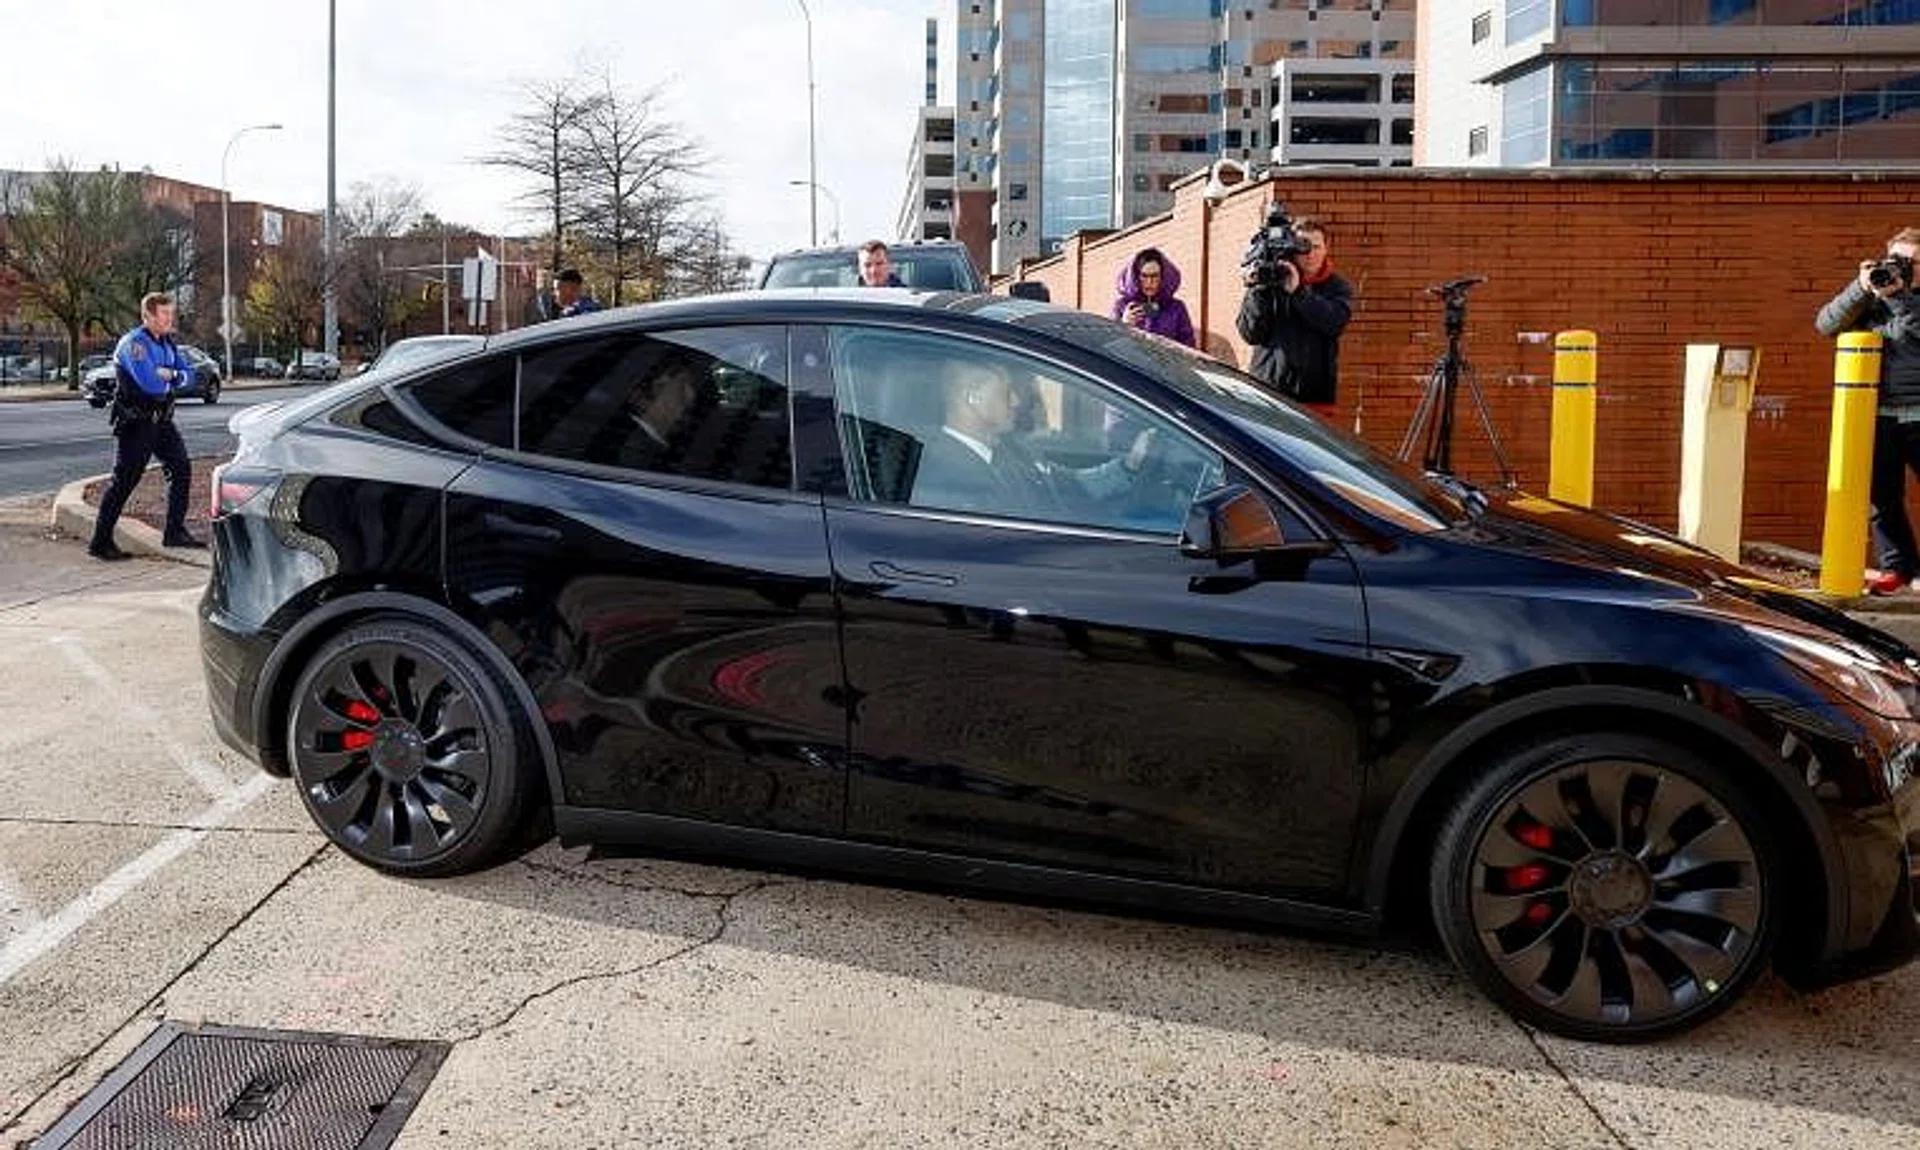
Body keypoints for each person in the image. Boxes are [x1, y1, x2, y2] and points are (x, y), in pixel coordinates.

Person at [1816, 226, 1920, 595]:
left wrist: (1899, 297)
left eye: (1911, 262)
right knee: (1883, 496)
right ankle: (1899, 569)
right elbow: (1826, 324)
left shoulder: (1901, 299)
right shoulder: (1871, 299)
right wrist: (1860, 288)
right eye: (1898, 260)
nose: (1902, 267)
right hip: (1879, 414)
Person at [911, 359, 1150, 517]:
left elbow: (1070, 484)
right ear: (973, 399)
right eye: (1006, 393)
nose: (1016, 401)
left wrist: (1129, 466)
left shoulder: (1007, 450)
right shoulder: (940, 476)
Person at [88, 293, 199, 559]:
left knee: (181, 467)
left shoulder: (168, 344)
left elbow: (190, 377)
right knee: (124, 481)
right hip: (136, 423)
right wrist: (172, 376)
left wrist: (170, 374)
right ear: (147, 316)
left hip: (162, 421)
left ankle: (174, 532)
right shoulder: (134, 343)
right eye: (163, 314)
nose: (169, 318)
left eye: (171, 313)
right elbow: (150, 383)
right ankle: (99, 542)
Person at [1235, 214, 1352, 417]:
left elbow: (1334, 323)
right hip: (1267, 393)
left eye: (1316, 247)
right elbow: (1250, 334)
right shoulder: (1271, 279)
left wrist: (1298, 293)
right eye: (1302, 246)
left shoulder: (1337, 287)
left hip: (1313, 399)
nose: (1309, 254)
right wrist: (1259, 290)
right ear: (1291, 249)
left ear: (1326, 249)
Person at [1111, 247, 1196, 348]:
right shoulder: (1122, 306)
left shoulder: (1176, 307)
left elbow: (1188, 344)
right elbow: (1110, 344)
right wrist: (1124, 325)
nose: (1149, 282)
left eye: (1154, 276)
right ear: (1136, 277)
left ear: (1163, 277)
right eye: (1144, 276)